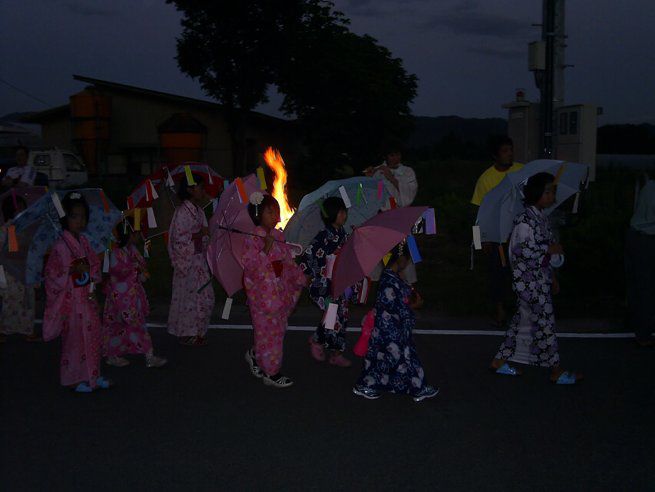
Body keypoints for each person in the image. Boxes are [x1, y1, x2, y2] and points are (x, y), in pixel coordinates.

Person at [489, 173, 582, 384]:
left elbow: (540, 253)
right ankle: (556, 371)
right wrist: (548, 249)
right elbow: (520, 251)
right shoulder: (525, 220)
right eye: (547, 191)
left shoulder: (539, 217)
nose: (551, 196)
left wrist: (552, 275)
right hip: (530, 283)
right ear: (536, 193)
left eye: (552, 192)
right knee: (545, 324)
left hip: (537, 280)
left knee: (522, 323)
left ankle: (499, 361)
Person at [42, 192, 113, 392]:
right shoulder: (60, 247)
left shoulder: (83, 242)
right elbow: (51, 276)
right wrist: (70, 270)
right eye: (74, 216)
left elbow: (94, 267)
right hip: (71, 301)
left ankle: (92, 374)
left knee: (92, 336)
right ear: (65, 218)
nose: (79, 221)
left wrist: (90, 272)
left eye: (82, 216)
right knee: (74, 340)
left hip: (86, 297)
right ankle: (73, 377)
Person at [352, 242, 439, 402]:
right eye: (406, 259)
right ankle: (367, 385)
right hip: (390, 329)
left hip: (391, 328)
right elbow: (394, 306)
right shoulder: (388, 280)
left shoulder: (390, 277)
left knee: (395, 358)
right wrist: (414, 305)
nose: (407, 264)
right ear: (400, 259)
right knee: (394, 359)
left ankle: (417, 387)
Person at [242, 192, 306, 388]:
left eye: (276, 212)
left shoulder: (278, 235)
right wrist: (265, 251)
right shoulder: (253, 239)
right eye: (269, 212)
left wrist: (298, 277)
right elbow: (251, 268)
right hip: (263, 296)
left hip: (278, 292)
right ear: (257, 214)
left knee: (273, 332)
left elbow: (286, 261)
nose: (275, 216)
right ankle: (271, 372)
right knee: (270, 333)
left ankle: (257, 355)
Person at [471, 136, 524, 327]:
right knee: (497, 273)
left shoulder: (521, 171)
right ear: (495, 155)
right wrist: (479, 241)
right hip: (497, 235)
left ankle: (522, 310)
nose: (509, 154)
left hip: (520, 231)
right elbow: (477, 212)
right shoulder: (486, 179)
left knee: (521, 272)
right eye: (504, 151)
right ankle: (499, 309)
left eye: (510, 150)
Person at [102, 216, 167, 368]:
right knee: (119, 326)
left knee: (132, 325)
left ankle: (145, 355)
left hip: (129, 296)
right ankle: (119, 355)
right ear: (129, 234)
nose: (138, 236)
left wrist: (139, 269)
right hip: (120, 297)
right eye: (136, 232)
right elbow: (118, 272)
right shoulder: (116, 253)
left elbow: (137, 266)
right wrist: (136, 270)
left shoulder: (130, 250)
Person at [300, 196, 355, 367]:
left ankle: (334, 350)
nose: (344, 215)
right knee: (331, 316)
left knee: (341, 317)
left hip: (341, 282)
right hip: (326, 284)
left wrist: (354, 238)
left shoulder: (344, 234)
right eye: (340, 212)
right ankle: (320, 342)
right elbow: (309, 257)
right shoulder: (322, 236)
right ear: (332, 214)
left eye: (344, 211)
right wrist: (307, 276)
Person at [167, 173, 215, 346]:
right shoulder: (181, 212)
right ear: (190, 189)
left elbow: (202, 236)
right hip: (187, 262)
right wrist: (198, 235)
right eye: (200, 187)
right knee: (189, 299)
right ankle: (189, 332)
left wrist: (205, 236)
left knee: (205, 296)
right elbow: (178, 239)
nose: (203, 191)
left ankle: (198, 330)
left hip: (198, 261)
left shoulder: (199, 211)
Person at [364, 147, 419, 285]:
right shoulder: (377, 171)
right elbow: (367, 197)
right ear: (386, 156)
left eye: (398, 154)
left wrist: (392, 178)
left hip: (401, 218)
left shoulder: (407, 172)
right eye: (392, 155)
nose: (395, 158)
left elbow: (408, 198)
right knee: (381, 252)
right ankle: (379, 283)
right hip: (382, 218)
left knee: (404, 252)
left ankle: (407, 285)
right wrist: (367, 180)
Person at [0, 195, 40, 343]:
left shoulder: (27, 229)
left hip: (24, 271)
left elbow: (34, 251)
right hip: (9, 272)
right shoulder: (6, 230)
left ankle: (27, 330)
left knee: (27, 301)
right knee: (9, 301)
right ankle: (4, 329)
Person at [625, 177, 655, 347]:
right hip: (647, 240)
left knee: (638, 285)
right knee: (646, 288)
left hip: (636, 236)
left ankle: (638, 324)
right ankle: (643, 333)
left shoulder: (649, 186)